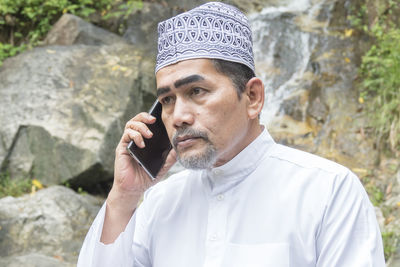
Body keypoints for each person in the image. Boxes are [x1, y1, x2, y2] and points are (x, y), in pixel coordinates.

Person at [78, 2, 385, 266]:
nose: (179, 117)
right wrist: (124, 196)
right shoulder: (159, 203)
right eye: (167, 100)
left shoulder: (327, 191)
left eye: (196, 91)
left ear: (252, 97)